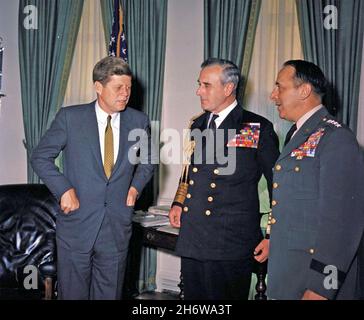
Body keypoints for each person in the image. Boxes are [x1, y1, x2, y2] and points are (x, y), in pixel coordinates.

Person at [31, 56, 156, 300]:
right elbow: (40, 157)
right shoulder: (70, 118)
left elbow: (149, 160)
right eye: (118, 87)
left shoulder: (138, 121)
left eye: (128, 88)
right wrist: (64, 189)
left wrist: (135, 189)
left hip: (117, 227)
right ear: (98, 87)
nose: (125, 94)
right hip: (77, 225)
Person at [168, 58, 280, 300]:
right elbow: (189, 168)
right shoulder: (198, 123)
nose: (199, 91)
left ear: (228, 88)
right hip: (195, 236)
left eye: (206, 85)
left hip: (231, 240)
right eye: (199, 84)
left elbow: (278, 187)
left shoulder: (254, 127)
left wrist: (272, 235)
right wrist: (179, 201)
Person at [267, 60, 364, 300]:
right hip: (290, 270)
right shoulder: (298, 133)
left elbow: (342, 222)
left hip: (313, 279)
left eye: (280, 87)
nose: (273, 95)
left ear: (304, 90)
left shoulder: (336, 138)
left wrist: (322, 286)